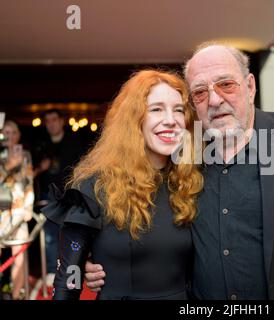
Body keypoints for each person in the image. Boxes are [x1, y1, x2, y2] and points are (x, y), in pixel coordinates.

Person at [85, 43, 274, 299]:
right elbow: (151, 226)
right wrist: (100, 258)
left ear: (250, 86)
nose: (215, 100)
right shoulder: (184, 160)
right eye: (201, 93)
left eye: (226, 84)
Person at [41, 70, 203, 300]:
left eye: (178, 110)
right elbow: (68, 278)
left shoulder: (190, 182)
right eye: (156, 109)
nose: (171, 119)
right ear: (133, 119)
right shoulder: (93, 187)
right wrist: (83, 262)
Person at [33, 109, 84, 275]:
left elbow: (85, 167)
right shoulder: (41, 144)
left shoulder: (74, 141)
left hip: (71, 195)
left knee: (72, 235)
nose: (51, 124)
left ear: (62, 121)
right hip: (48, 197)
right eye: (47, 121)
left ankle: (73, 270)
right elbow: (30, 172)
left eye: (54, 119)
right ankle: (51, 272)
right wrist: (42, 167)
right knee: (50, 238)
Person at [0, 120, 34, 300]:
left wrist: (28, 206)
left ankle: (16, 295)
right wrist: (9, 166)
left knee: (19, 255)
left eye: (13, 132)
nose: (10, 136)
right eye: (6, 132)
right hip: (1, 210)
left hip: (19, 209)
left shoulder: (25, 154)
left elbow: (28, 181)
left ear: (18, 135)